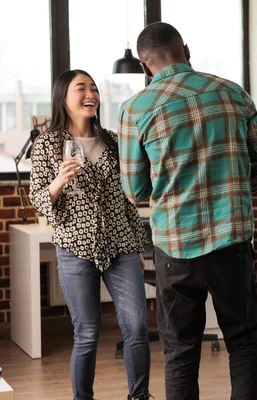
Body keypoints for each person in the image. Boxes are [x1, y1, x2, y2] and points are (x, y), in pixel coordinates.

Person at [118, 22, 257, 400]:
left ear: (145, 67)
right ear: (186, 50)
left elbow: (135, 189)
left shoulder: (135, 109)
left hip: (176, 249)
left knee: (180, 352)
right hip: (232, 244)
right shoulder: (232, 93)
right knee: (242, 342)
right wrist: (234, 185)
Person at [29, 69, 151, 400]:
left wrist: (138, 247)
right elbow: (38, 198)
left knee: (137, 328)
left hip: (121, 244)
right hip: (75, 247)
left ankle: (139, 396)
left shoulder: (112, 140)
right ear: (63, 98)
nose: (90, 94)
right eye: (81, 88)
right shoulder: (48, 144)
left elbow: (126, 199)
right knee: (87, 332)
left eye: (94, 89)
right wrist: (58, 182)